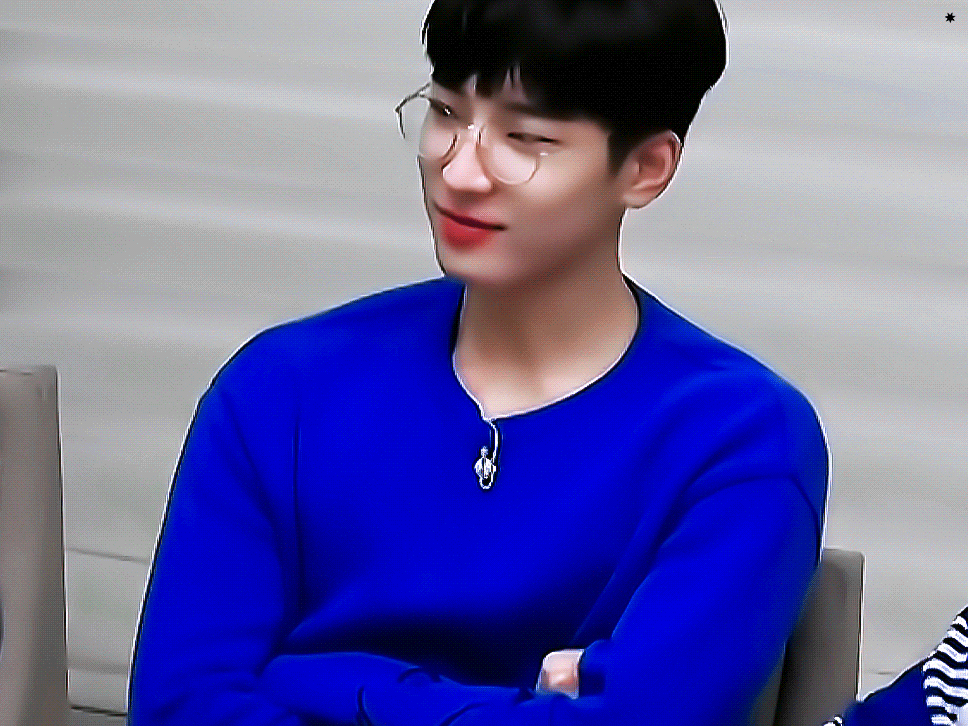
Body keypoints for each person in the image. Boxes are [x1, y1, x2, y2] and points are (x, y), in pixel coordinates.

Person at [127, 1, 831, 724]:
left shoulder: (738, 439)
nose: (459, 171)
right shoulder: (281, 391)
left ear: (645, 168)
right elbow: (180, 705)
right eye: (445, 113)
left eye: (525, 139)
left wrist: (323, 681)